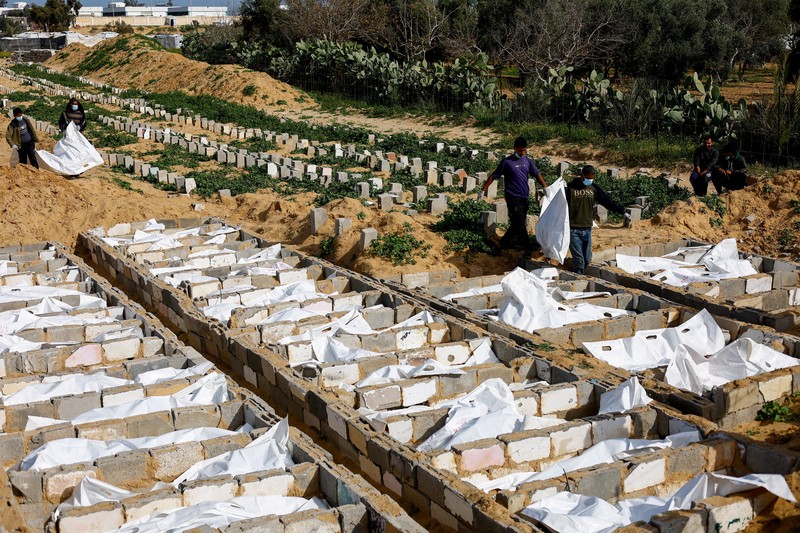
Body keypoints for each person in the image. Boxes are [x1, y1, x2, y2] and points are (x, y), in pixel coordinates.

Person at [478, 136, 548, 254]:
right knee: (519, 222)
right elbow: (494, 175)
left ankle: (503, 244)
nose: (522, 153)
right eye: (520, 150)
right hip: (512, 197)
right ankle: (527, 248)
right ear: (514, 148)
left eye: (524, 150)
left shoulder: (527, 161)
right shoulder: (507, 162)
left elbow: (536, 174)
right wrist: (483, 190)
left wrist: (546, 187)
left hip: (524, 197)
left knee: (517, 222)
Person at [566, 165, 627, 274]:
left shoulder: (594, 188)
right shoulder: (570, 188)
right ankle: (577, 277)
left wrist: (621, 210)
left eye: (592, 179)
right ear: (582, 175)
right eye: (588, 178)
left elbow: (607, 202)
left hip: (587, 229)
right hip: (573, 229)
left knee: (587, 259)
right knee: (579, 261)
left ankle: (575, 272)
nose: (590, 180)